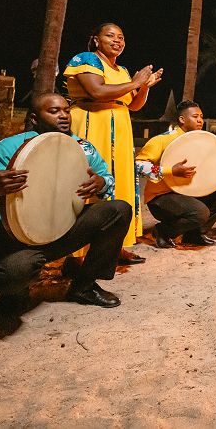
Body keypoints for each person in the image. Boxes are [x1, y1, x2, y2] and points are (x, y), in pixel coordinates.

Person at [0, 93, 132, 309]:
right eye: (54, 111)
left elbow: (107, 180)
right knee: (10, 276)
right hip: (11, 237)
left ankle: (84, 286)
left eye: (66, 110)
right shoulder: (7, 148)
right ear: (34, 118)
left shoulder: (83, 148)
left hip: (62, 228)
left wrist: (101, 183)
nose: (63, 115)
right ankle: (16, 291)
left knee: (119, 210)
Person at [63, 22, 162, 265]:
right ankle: (76, 254)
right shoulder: (86, 59)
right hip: (92, 126)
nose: (117, 40)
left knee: (120, 184)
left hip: (120, 129)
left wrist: (144, 87)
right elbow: (97, 91)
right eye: (110, 35)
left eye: (121, 37)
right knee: (89, 182)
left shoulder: (123, 70)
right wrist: (136, 83)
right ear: (96, 39)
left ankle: (115, 245)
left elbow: (134, 104)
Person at [135, 100, 216, 248]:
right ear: (182, 119)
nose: (200, 120)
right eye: (195, 116)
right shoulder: (162, 140)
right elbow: (139, 166)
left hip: (188, 193)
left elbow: (209, 170)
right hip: (161, 198)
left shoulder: (202, 142)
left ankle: (195, 234)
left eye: (201, 116)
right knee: (200, 212)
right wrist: (170, 170)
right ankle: (163, 231)